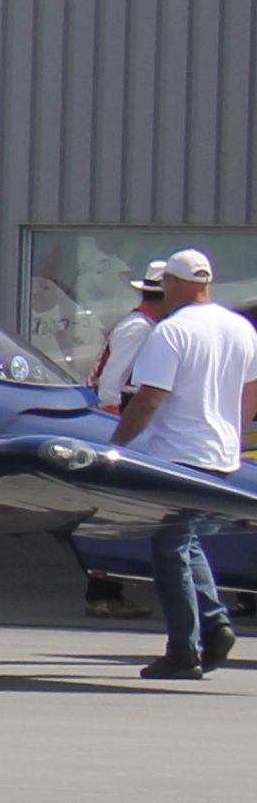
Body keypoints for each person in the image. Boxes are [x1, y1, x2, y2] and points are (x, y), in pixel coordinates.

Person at [109, 248, 257, 679]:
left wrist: (118, 445)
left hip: (176, 455)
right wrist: (230, 432)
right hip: (221, 456)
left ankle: (184, 648)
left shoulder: (171, 332)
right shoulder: (241, 328)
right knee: (185, 542)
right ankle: (214, 627)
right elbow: (251, 395)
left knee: (168, 548)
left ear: (173, 284)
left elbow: (149, 399)